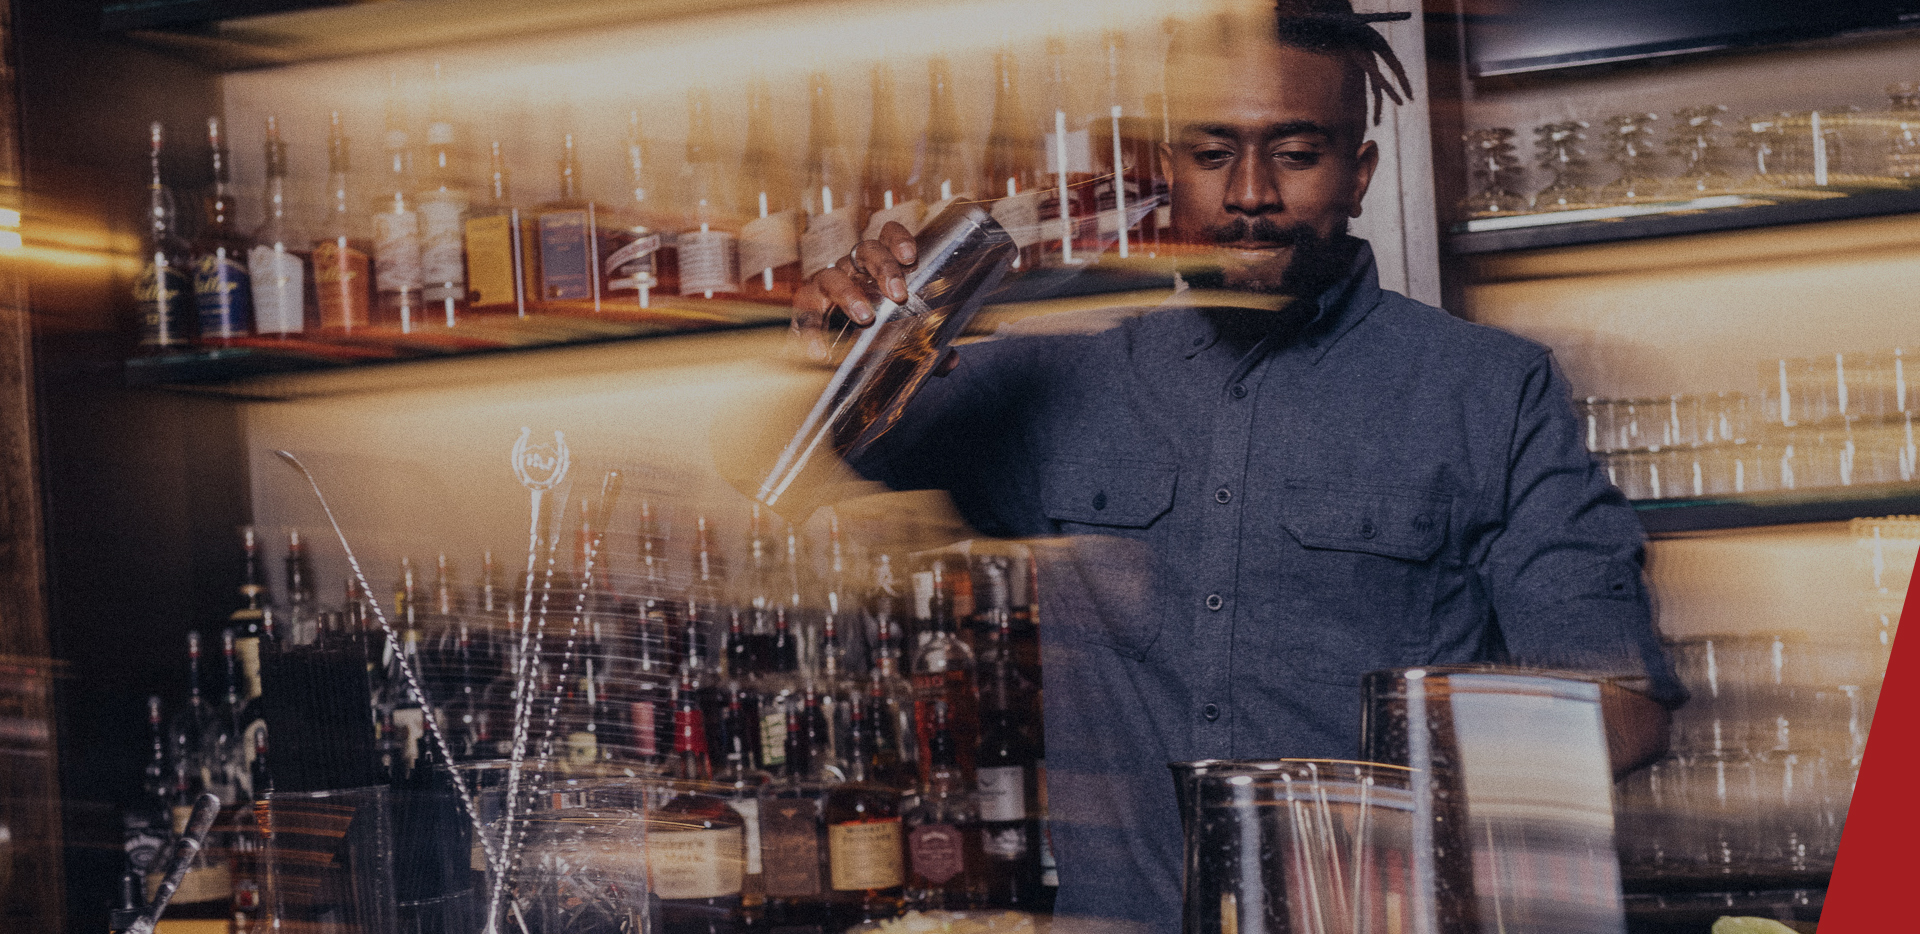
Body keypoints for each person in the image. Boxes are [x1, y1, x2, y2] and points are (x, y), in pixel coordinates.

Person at [791, 2, 1685, 931]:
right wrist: (841, 341)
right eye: (1213, 154)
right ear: (1167, 171)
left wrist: (1369, 819)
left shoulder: (1490, 392)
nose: (1250, 192)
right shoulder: (1060, 377)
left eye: (1297, 154)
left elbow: (1623, 708)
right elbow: (799, 463)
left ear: (1359, 173)